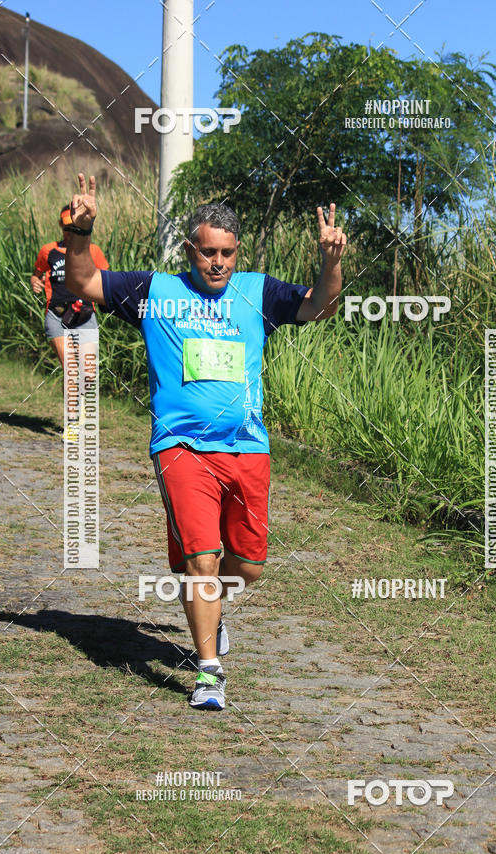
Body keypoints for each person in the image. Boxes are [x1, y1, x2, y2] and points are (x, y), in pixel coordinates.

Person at [65, 172, 347, 711]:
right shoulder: (155, 292)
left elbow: (320, 306)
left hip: (247, 448)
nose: (218, 263)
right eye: (208, 252)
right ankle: (209, 670)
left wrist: (330, 261)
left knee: (247, 567)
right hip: (181, 447)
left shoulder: (259, 291)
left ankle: (209, 599)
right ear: (190, 249)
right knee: (202, 559)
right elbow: (82, 282)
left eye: (228, 253)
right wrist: (80, 231)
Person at [32, 205, 109, 438]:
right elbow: (37, 273)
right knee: (71, 369)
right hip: (57, 317)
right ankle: (73, 423)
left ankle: (83, 411)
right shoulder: (49, 251)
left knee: (88, 373)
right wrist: (35, 282)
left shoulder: (93, 251)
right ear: (61, 226)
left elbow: (105, 279)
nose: (69, 232)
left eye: (73, 227)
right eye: (66, 227)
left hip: (85, 316)